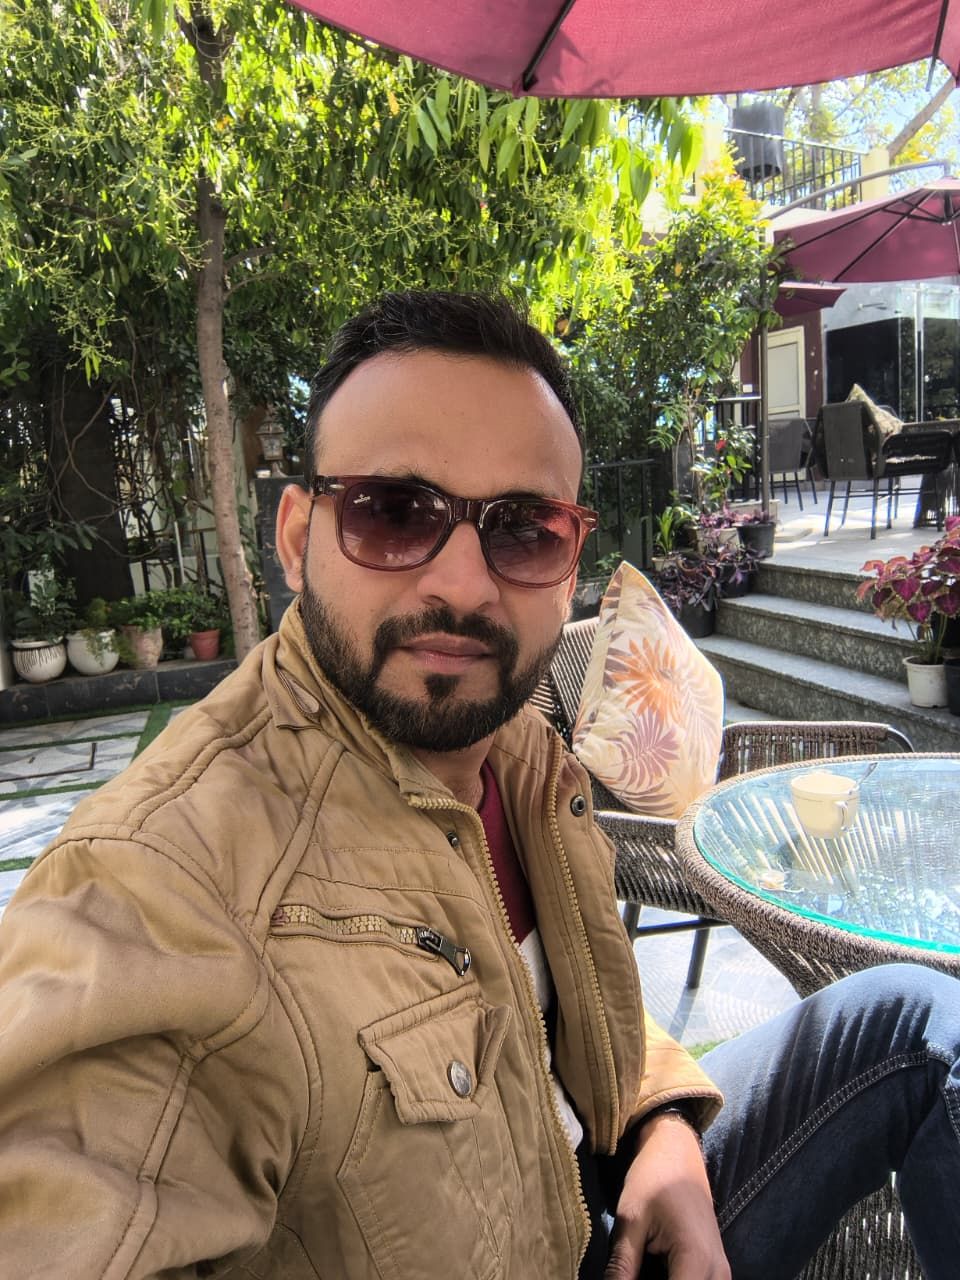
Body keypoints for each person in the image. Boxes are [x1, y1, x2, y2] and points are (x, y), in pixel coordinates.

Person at [0, 291, 957, 1280]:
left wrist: (660, 1119)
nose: (462, 583)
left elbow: (569, 998)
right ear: (295, 536)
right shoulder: (156, 887)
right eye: (392, 512)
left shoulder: (522, 751)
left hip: (611, 1204)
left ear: (570, 565)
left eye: (524, 528)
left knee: (919, 1019)